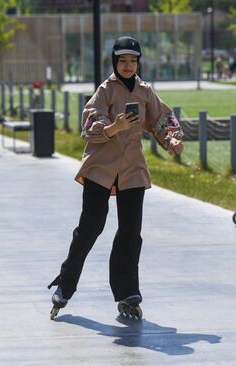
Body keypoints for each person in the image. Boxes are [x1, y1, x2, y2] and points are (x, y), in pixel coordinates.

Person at [48, 36, 184, 319]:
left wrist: (171, 140)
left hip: (133, 169)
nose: (127, 65)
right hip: (101, 167)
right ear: (114, 61)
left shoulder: (146, 91)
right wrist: (114, 126)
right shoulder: (105, 90)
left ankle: (127, 292)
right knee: (90, 228)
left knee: (131, 233)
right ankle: (66, 283)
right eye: (122, 60)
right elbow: (88, 127)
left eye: (133, 60)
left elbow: (163, 120)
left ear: (138, 63)